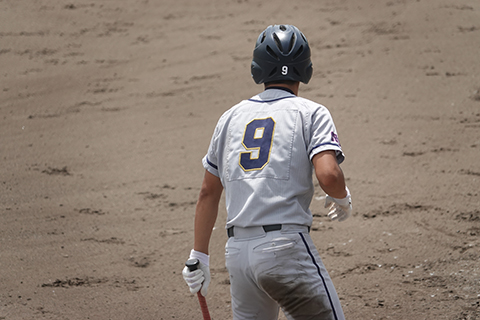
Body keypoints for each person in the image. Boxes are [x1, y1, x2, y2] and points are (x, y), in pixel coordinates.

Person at [182, 24, 352, 320]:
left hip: (238, 254)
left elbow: (208, 192)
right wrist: (342, 197)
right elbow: (330, 175)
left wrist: (199, 256)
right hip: (285, 250)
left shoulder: (230, 118)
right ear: (306, 69)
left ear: (257, 69)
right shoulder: (311, 112)